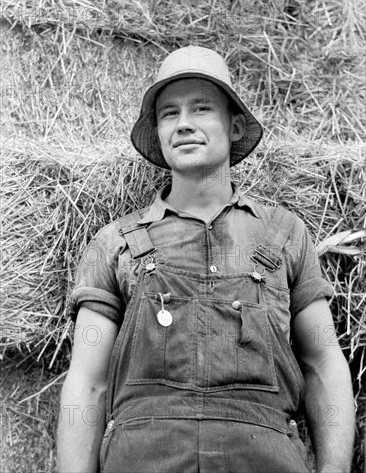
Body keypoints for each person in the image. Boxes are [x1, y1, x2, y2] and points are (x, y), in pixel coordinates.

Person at [57, 46, 355, 473]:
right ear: (158, 132)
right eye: (168, 113)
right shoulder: (114, 244)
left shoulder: (285, 234)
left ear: (234, 127)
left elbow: (323, 362)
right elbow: (87, 384)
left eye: (201, 108)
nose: (183, 125)